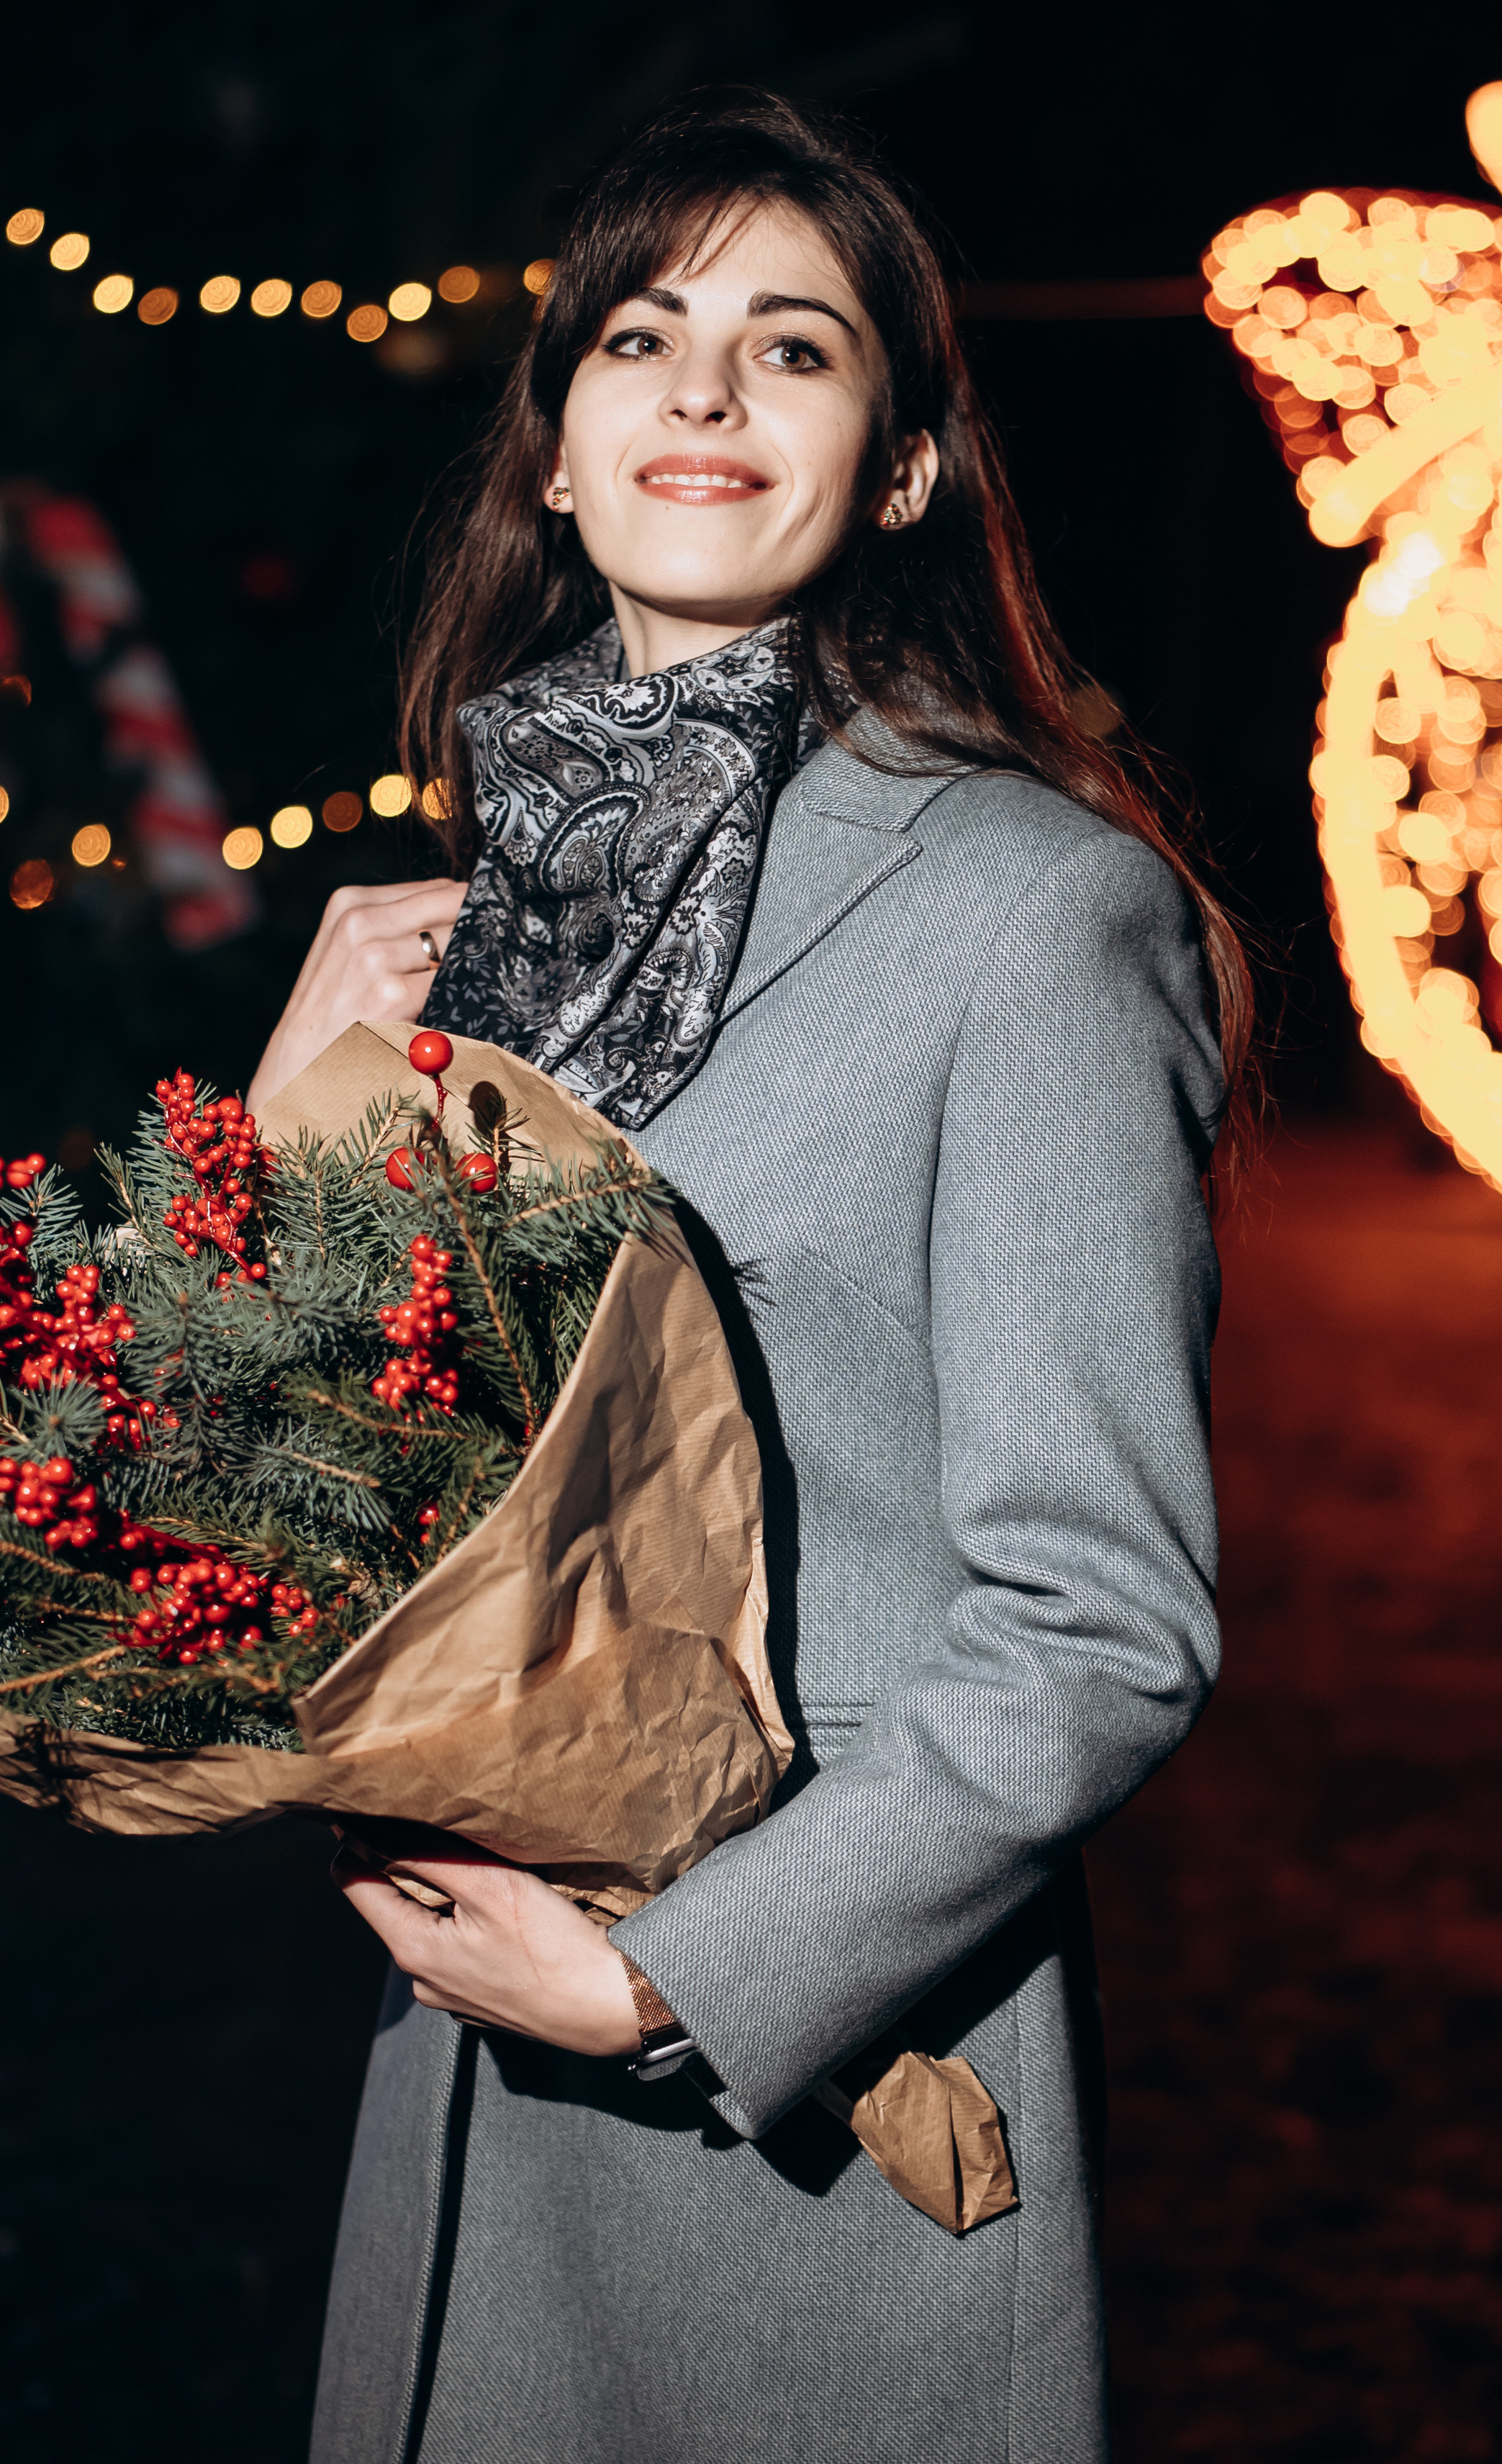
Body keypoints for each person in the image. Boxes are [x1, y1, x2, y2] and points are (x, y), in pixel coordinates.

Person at [250, 88, 1252, 2464]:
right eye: (640, 336)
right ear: (561, 453)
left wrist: (676, 1981)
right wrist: (302, 1117)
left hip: (799, 2118)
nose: (701, 391)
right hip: (453, 2082)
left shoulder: (1029, 915)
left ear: (896, 467)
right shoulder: (467, 928)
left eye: (791, 349)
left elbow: (1099, 1619)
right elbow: (298, 1515)